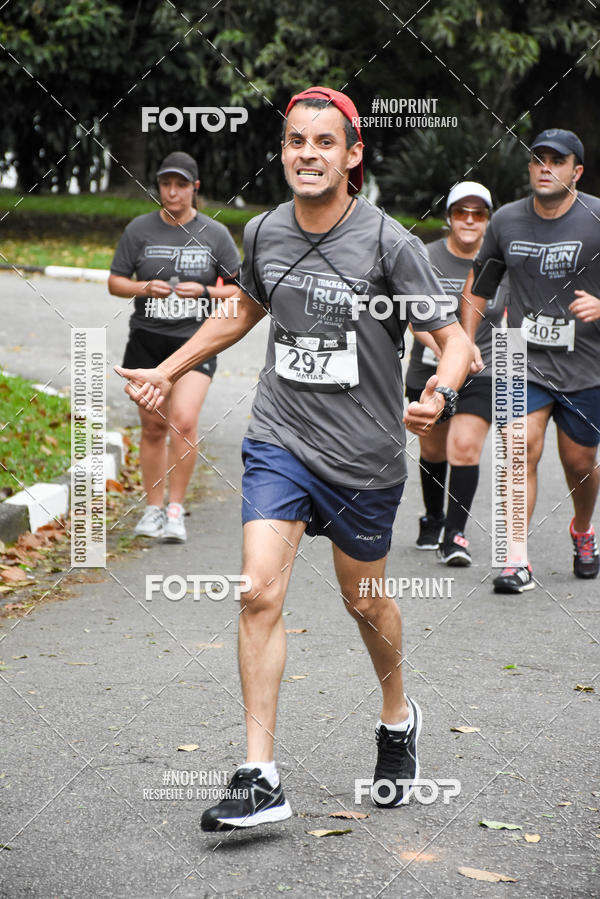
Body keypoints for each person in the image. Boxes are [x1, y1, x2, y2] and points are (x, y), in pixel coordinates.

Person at [116, 87, 473, 829]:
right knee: (257, 594)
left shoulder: (388, 244)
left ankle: (398, 715)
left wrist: (438, 391)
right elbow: (241, 311)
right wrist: (169, 368)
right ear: (282, 153)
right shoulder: (267, 230)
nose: (307, 155)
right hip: (280, 440)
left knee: (364, 602)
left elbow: (456, 340)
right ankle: (260, 773)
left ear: (352, 156)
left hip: (365, 456)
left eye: (323, 143)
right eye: (295, 143)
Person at [461, 129, 600, 592]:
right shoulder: (505, 221)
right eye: (537, 159)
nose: (544, 167)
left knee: (580, 463)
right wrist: (464, 345)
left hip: (587, 361)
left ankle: (582, 529)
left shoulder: (596, 217)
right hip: (518, 351)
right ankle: (515, 559)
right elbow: (478, 288)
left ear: (575, 172)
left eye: (556, 161)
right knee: (517, 448)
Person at [108, 151, 241, 543]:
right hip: (146, 340)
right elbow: (115, 282)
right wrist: (143, 287)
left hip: (195, 342)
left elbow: (239, 289)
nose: (172, 191)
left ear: (194, 188)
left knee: (182, 420)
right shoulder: (139, 230)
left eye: (181, 185)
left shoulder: (215, 234)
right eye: (166, 184)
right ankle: (152, 509)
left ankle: (175, 509)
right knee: (152, 426)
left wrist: (203, 289)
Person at [406, 182, 505, 566]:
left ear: (488, 221)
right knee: (433, 449)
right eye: (461, 212)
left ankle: (455, 535)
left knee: (463, 447)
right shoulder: (424, 256)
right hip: (428, 370)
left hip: (482, 371)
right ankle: (433, 518)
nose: (468, 220)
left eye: (478, 213)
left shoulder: (498, 263)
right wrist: (448, 351)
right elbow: (415, 320)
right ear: (448, 217)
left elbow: (514, 312)